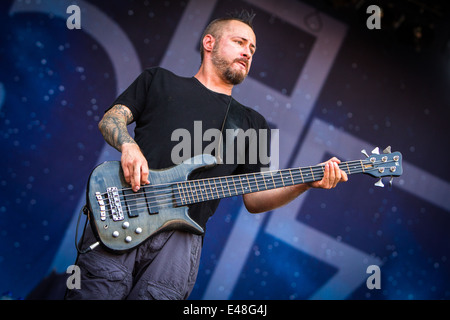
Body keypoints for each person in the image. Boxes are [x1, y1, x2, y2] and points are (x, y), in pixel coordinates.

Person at [65, 10, 347, 300]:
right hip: (124, 209)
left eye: (252, 48)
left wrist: (307, 182)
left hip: (182, 241)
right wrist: (129, 146)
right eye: (240, 42)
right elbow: (110, 120)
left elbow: (256, 198)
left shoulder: (255, 124)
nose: (247, 52)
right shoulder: (158, 80)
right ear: (209, 43)